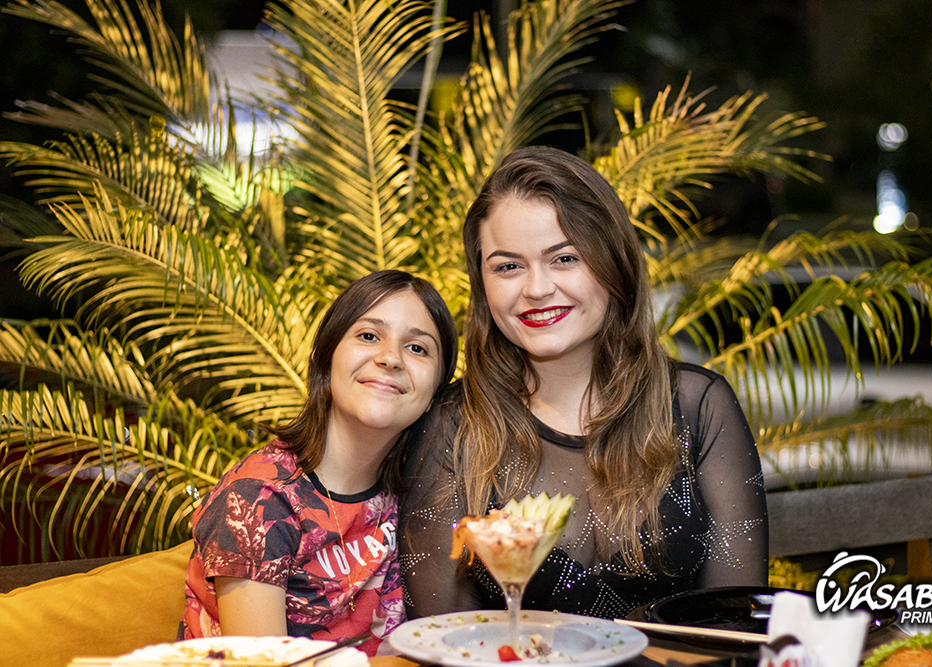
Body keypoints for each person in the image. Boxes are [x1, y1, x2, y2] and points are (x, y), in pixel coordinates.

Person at [400, 146, 768, 621]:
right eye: (508, 266)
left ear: (613, 263)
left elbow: (733, 619)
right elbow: (442, 636)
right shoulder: (452, 426)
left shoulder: (699, 407)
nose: (536, 289)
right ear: (482, 282)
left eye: (564, 258)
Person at [180, 270, 458, 655]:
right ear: (325, 360)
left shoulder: (418, 493)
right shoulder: (257, 499)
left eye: (417, 348)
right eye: (369, 336)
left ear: (434, 392)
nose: (391, 358)